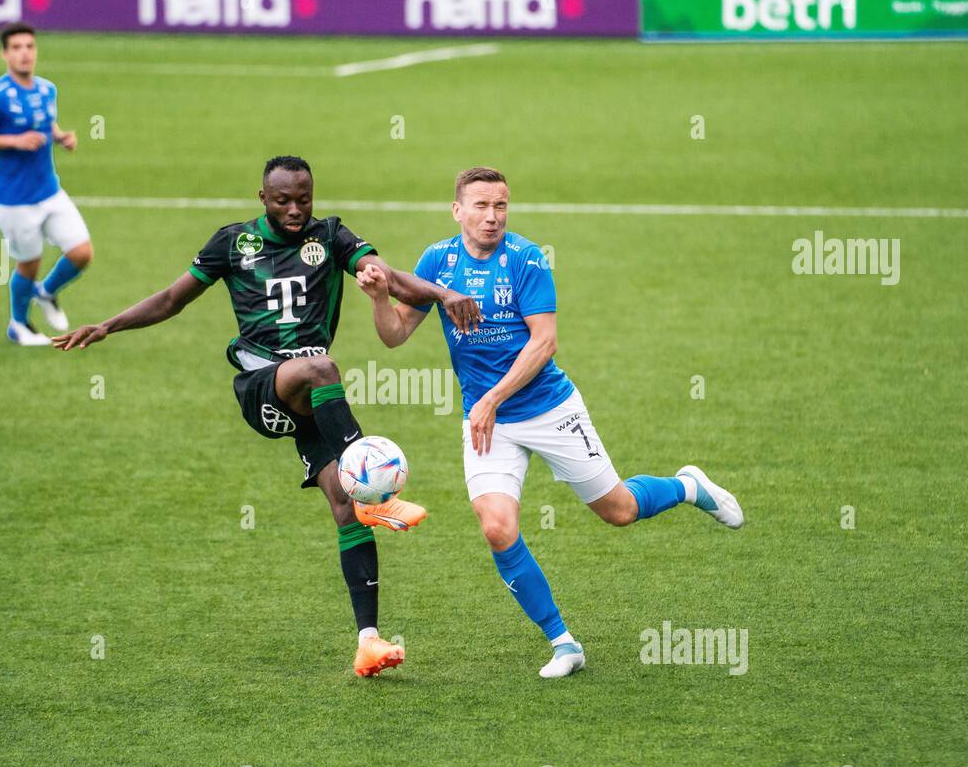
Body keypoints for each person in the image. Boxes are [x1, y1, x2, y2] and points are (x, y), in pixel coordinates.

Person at [53, 156, 482, 677]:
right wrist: (108, 325)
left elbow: (391, 279)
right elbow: (171, 299)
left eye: (304, 198)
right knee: (320, 366)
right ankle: (377, 485)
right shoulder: (233, 243)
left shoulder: (332, 236)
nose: (296, 209)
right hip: (262, 387)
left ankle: (368, 640)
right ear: (263, 198)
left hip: (309, 404)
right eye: (283, 201)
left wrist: (441, 293)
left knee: (347, 508)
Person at [363, 167, 745, 678]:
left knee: (619, 511)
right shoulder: (438, 261)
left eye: (501, 205)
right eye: (480, 205)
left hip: (549, 410)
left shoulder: (526, 259)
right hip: (487, 423)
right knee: (497, 527)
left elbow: (545, 343)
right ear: (457, 210)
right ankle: (564, 644)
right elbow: (393, 337)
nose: (492, 216)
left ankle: (688, 486)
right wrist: (377, 298)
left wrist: (493, 397)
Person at [0, 21, 91, 346]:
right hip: (14, 200)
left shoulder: (47, 89)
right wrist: (15, 142)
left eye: (29, 47)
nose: (24, 54)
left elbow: (46, 124)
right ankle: (18, 325)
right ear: (4, 54)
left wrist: (61, 137)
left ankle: (47, 293)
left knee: (81, 253)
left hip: (50, 191)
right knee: (29, 264)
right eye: (17, 48)